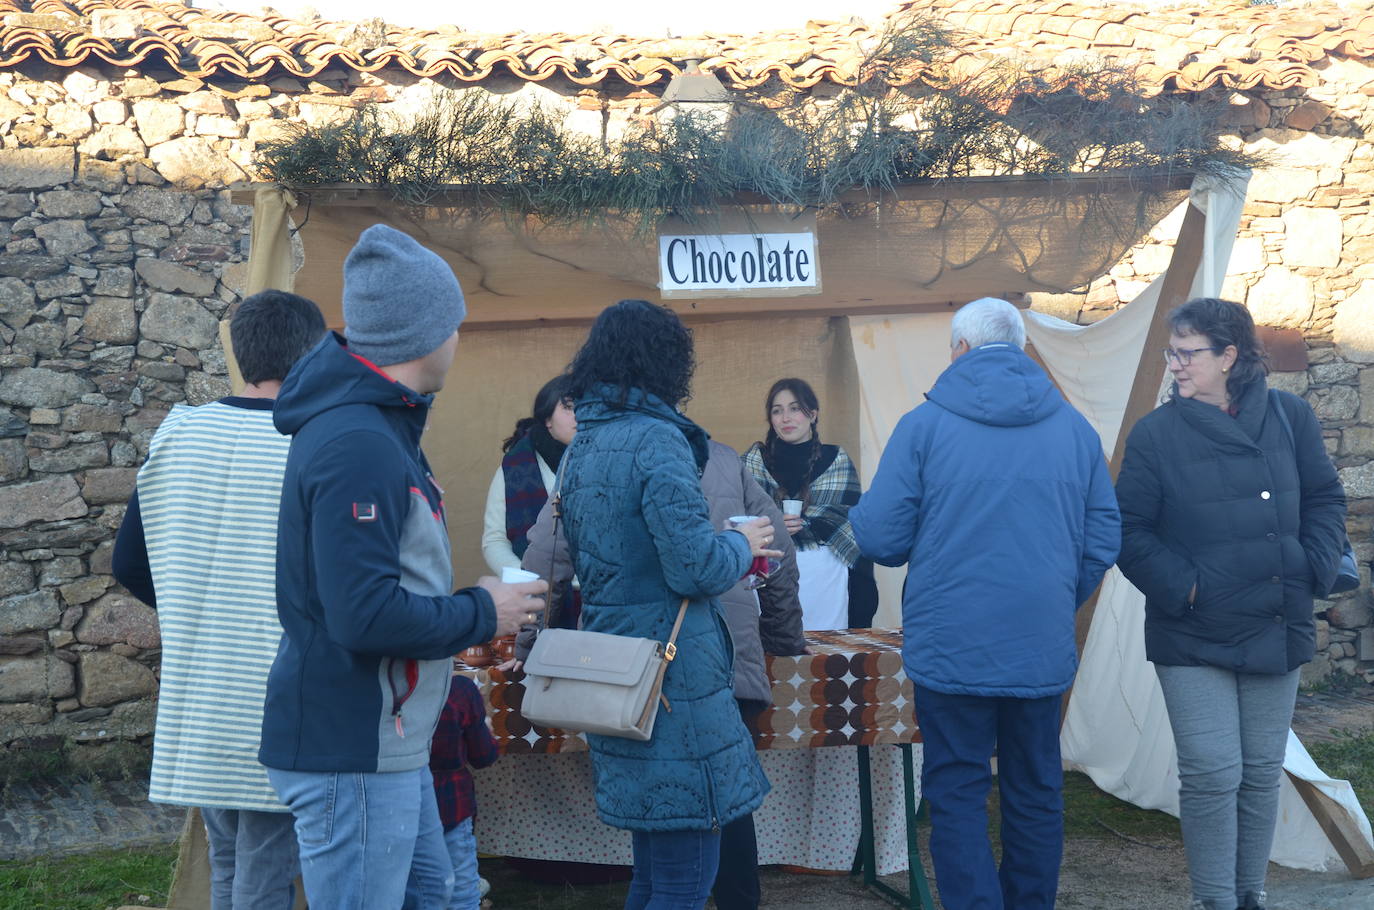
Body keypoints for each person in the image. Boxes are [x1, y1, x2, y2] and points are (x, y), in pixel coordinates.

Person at [258, 224, 547, 910]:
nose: (458, 339)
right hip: (353, 748)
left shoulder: (375, 427)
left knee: (434, 892)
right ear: (427, 331)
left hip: (383, 742)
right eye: (455, 324)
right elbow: (364, 616)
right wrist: (485, 611)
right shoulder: (358, 439)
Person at [849, 296, 1120, 910]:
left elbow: (881, 539)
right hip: (1039, 644)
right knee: (1035, 789)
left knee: (959, 791)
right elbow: (1103, 537)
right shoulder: (1074, 429)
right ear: (1022, 348)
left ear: (961, 349)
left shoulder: (923, 426)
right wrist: (1055, 597)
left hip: (953, 647)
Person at [1114, 298, 1346, 910]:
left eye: (1188, 354)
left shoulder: (1290, 416)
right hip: (1194, 632)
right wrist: (1186, 588)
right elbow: (1128, 530)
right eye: (1173, 353)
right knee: (1214, 774)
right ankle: (1213, 901)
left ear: (1229, 356)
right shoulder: (1156, 434)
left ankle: (1251, 896)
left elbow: (1325, 497)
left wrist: (1310, 564)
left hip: (1276, 615)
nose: (1175, 366)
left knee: (1261, 772)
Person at [554, 298, 778, 910]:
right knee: (684, 877)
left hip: (620, 666)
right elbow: (694, 566)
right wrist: (740, 541)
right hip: (672, 676)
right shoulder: (656, 440)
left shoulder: (584, 444)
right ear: (668, 363)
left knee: (657, 871)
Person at [522, 438, 807, 910]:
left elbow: (547, 557)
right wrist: (781, 637)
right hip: (713, 651)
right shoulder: (716, 454)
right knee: (718, 810)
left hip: (641, 659)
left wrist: (532, 644)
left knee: (669, 841)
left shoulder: (589, 456)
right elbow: (778, 551)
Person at [111, 289, 326, 910]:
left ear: (239, 354)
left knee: (233, 859)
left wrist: (194, 613)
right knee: (262, 870)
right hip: (277, 692)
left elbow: (129, 563)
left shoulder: (179, 432)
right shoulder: (313, 442)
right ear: (313, 354)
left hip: (201, 690)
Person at [742, 379, 863, 631]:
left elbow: (847, 518)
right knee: (772, 655)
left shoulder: (836, 460)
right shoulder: (752, 462)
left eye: (795, 408)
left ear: (813, 414)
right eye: (777, 410)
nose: (786, 417)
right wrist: (774, 523)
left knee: (824, 658)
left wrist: (805, 524)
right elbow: (737, 515)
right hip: (769, 574)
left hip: (825, 579)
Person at [481, 376, 576, 576]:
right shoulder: (515, 469)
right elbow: (495, 540)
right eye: (568, 407)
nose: (579, 415)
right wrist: (527, 577)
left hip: (603, 595)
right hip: (535, 592)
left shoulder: (612, 461)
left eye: (585, 406)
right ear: (548, 419)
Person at [429, 675, 500, 910]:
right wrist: (486, 730)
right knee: (461, 892)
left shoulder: (376, 683)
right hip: (449, 805)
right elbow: (483, 755)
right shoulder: (456, 688)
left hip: (391, 807)